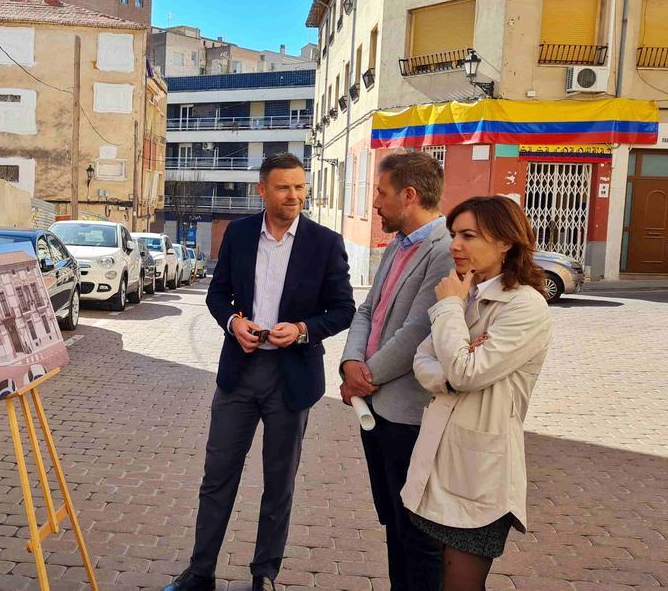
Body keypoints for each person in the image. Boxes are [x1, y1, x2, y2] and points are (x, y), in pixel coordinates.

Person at [164, 153, 355, 591]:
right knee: (218, 476)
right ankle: (200, 571)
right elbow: (218, 293)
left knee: (279, 481)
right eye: (284, 187)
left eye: (300, 187)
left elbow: (344, 309)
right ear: (263, 191)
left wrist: (304, 329)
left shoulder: (325, 242)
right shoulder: (241, 233)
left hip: (292, 379)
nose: (294, 195)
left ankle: (264, 574)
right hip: (240, 372)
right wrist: (233, 323)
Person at [401, 196, 551, 590]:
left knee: (461, 585)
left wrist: (450, 312)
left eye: (469, 235)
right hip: (439, 460)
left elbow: (468, 371)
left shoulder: (524, 306)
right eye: (453, 234)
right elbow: (423, 360)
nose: (455, 245)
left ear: (505, 242)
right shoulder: (466, 293)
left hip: (480, 473)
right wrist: (455, 367)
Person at [339, 152, 451, 590]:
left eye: (381, 194)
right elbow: (367, 309)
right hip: (376, 408)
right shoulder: (397, 244)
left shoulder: (443, 249)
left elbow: (418, 329)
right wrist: (351, 363)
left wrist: (364, 375)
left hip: (409, 415)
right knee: (393, 524)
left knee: (417, 533)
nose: (375, 205)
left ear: (409, 195)